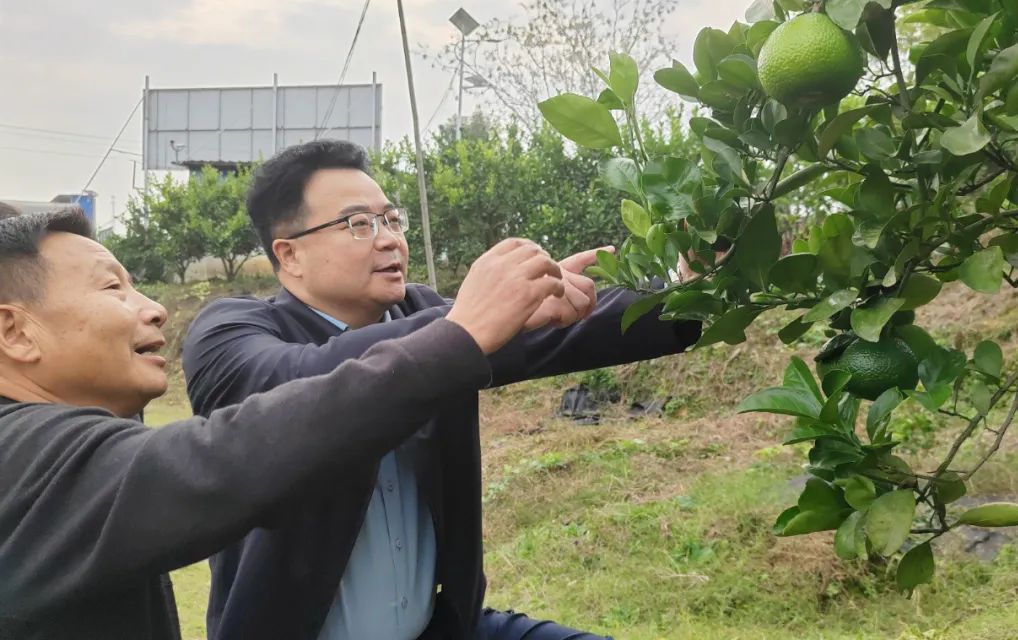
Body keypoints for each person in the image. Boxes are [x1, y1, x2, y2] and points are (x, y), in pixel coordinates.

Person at [183, 139, 703, 640]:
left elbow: (557, 334)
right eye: (358, 224)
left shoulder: (423, 313)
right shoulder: (230, 334)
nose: (389, 238)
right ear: (289, 255)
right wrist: (469, 324)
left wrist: (693, 291)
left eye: (391, 219)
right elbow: (295, 383)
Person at [0, 207, 567, 639]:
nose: (154, 308)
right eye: (111, 286)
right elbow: (227, 459)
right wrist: (459, 334)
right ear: (15, 333)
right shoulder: (22, 459)